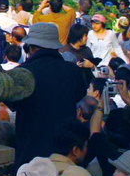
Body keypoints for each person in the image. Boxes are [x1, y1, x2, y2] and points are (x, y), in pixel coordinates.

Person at [6, 22, 87, 165]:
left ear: (30, 48)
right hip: (63, 149)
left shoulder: (22, 72)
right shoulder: (72, 71)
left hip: (30, 146)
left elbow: (12, 103)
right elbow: (80, 94)